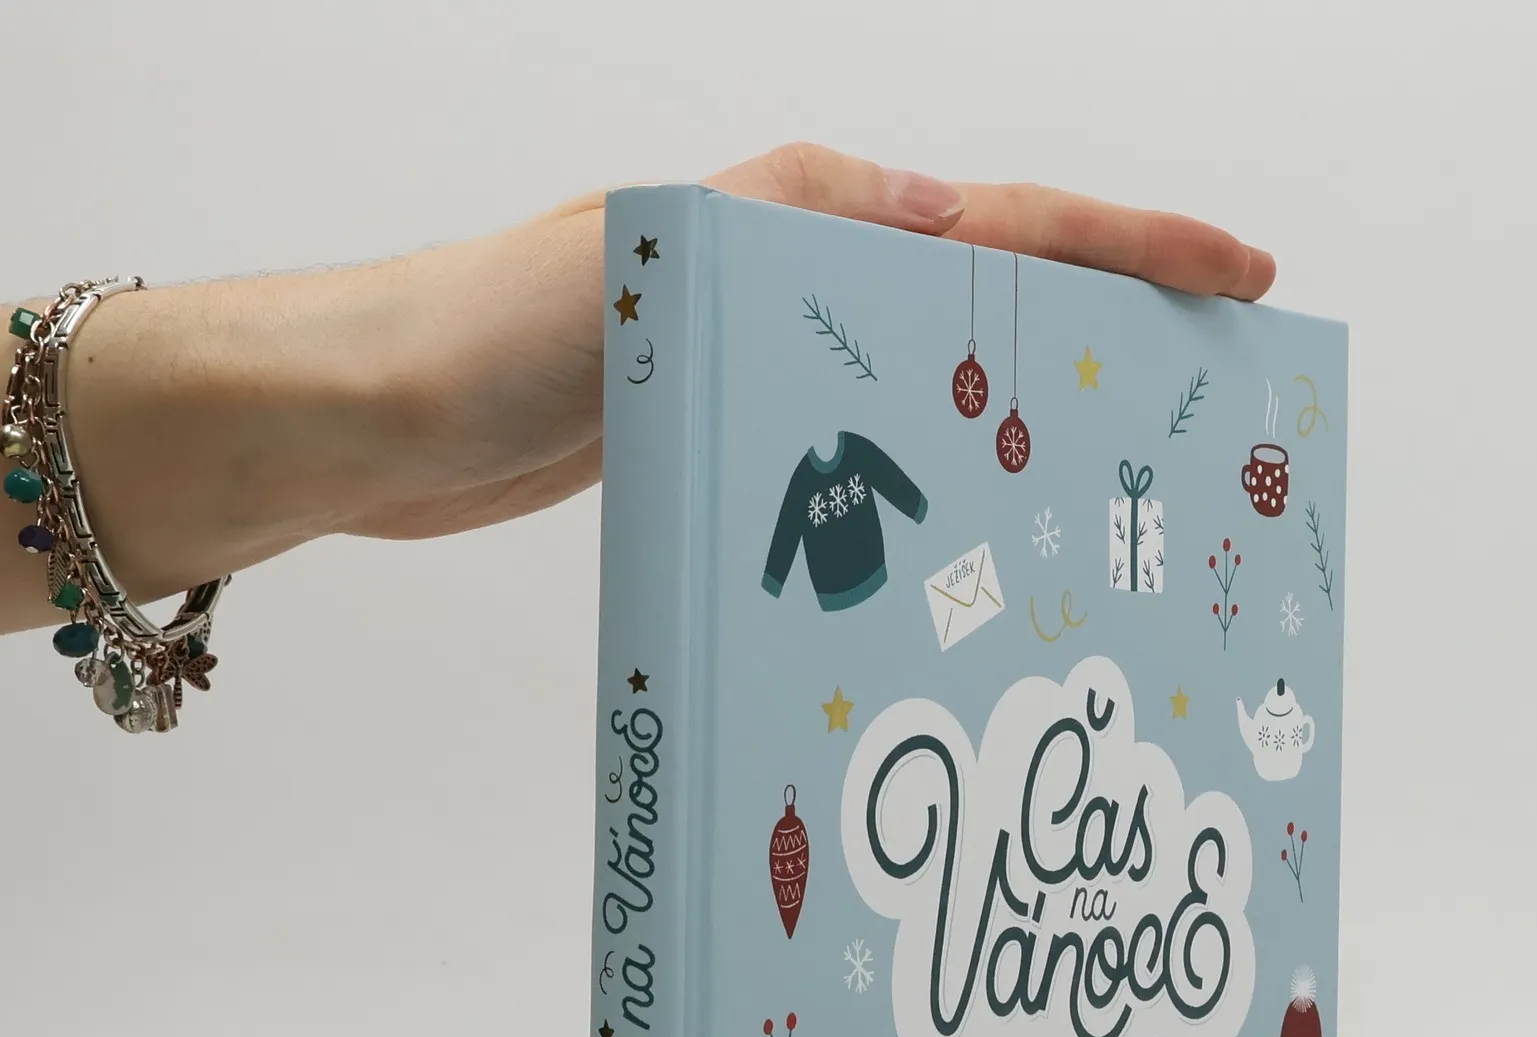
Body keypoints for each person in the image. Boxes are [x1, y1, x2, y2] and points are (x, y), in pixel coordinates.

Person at [2, 143, 1274, 658]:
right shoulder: (829, 470)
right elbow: (877, 508)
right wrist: (386, 392)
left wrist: (384, 409)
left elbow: (904, 497)